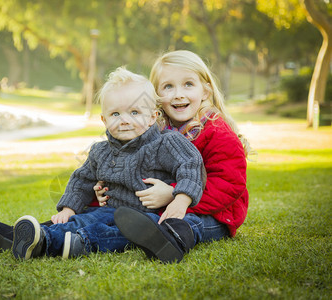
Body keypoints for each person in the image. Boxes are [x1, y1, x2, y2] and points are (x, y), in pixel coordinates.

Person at [0, 67, 205, 261]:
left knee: (111, 232)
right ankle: (32, 236)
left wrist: (181, 199)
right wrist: (68, 208)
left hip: (149, 218)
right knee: (81, 220)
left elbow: (191, 164)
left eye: (134, 112)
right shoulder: (100, 151)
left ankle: (49, 242)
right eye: (115, 114)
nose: (124, 120)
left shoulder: (166, 143)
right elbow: (81, 180)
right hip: (110, 210)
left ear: (152, 117)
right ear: (104, 120)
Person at [104, 50, 250, 263]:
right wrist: (103, 192)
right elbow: (129, 170)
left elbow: (229, 182)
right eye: (168, 86)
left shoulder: (217, 132)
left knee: (191, 223)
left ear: (206, 91)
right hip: (166, 208)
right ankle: (68, 229)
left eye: (188, 84)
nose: (178, 94)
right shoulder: (155, 133)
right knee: (126, 217)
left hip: (216, 214)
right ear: (156, 97)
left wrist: (176, 195)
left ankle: (170, 241)